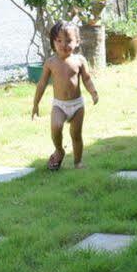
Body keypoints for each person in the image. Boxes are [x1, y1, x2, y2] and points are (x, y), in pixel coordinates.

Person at [31, 22, 98, 169]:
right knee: (56, 126)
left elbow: (86, 79)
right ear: (53, 42)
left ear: (77, 42)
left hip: (77, 105)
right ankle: (59, 150)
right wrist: (36, 104)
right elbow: (42, 84)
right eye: (59, 40)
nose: (64, 44)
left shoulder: (79, 60)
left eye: (68, 41)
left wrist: (93, 92)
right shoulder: (50, 62)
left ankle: (78, 162)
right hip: (59, 105)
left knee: (76, 135)